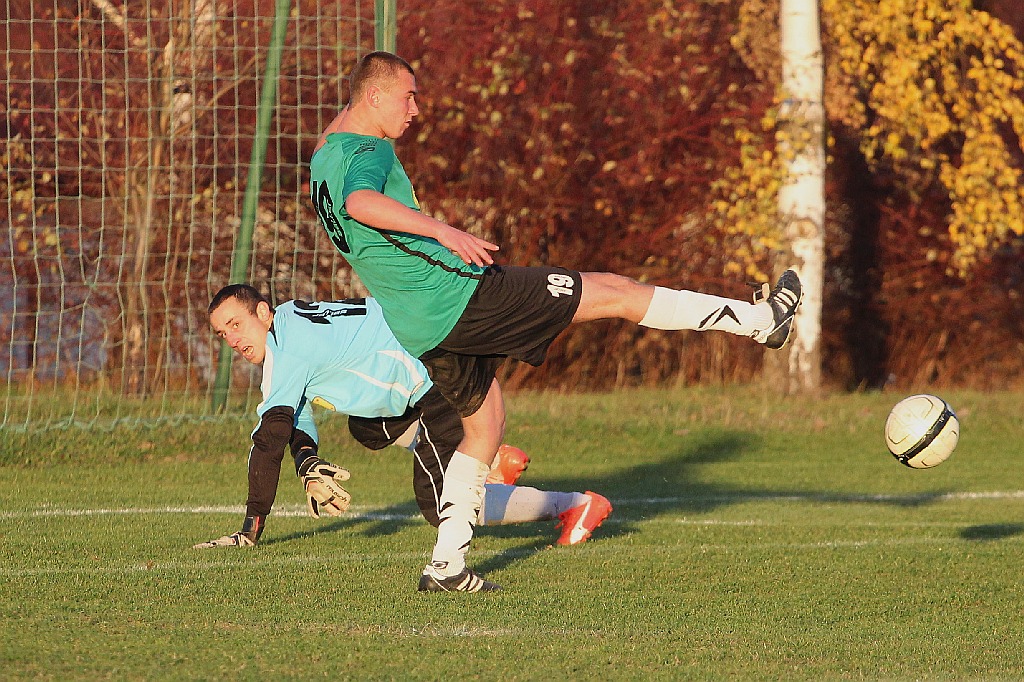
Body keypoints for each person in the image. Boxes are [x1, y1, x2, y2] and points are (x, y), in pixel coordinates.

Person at [308, 51, 802, 592]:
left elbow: (344, 184)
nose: (417, 109)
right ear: (374, 97)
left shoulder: (327, 152)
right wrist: (443, 231)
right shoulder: (367, 150)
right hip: (465, 297)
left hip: (420, 325)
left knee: (484, 428)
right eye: (409, 96)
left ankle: (446, 566)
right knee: (614, 290)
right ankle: (761, 321)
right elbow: (360, 203)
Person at [193, 285, 613, 588]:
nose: (231, 339)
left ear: (263, 313)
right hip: (418, 363)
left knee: (439, 505)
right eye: (221, 333)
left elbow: (269, 440)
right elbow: (295, 410)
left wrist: (250, 528)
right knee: (367, 426)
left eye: (235, 324)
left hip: (435, 376)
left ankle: (574, 506)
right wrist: (307, 463)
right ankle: (490, 459)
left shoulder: (289, 348)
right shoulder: (286, 322)